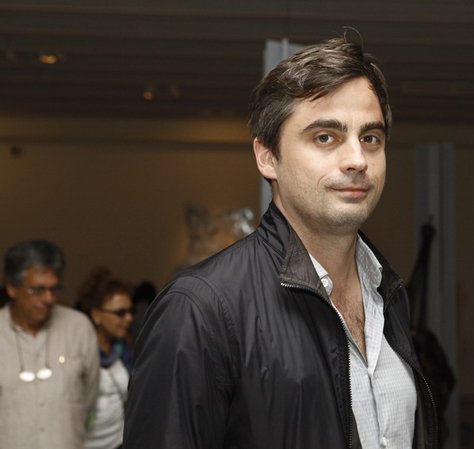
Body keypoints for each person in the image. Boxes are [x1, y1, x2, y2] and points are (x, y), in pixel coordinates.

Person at [123, 36, 437, 449]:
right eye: (325, 137)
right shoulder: (199, 309)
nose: (357, 160)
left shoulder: (388, 293)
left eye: (370, 138)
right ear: (267, 156)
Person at [0, 239, 99, 449]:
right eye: (37, 290)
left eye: (54, 289)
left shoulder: (79, 328)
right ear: (11, 288)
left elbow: (89, 398)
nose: (48, 298)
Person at [78, 267, 134, 449]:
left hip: (119, 443)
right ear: (96, 315)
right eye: (120, 313)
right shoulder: (78, 352)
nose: (129, 318)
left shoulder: (124, 350)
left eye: (130, 311)